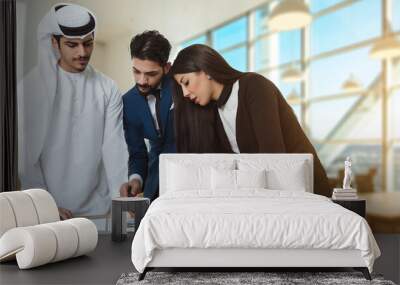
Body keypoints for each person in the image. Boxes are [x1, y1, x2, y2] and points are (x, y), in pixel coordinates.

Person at [169, 44, 331, 197]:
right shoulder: (214, 113)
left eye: (186, 82)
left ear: (206, 70)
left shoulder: (254, 86)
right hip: (271, 193)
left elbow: (273, 155)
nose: (185, 93)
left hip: (306, 189)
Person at [17, 4, 128, 219]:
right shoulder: (30, 87)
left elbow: (115, 149)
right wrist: (44, 207)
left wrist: (121, 202)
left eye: (88, 44)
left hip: (99, 210)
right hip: (50, 211)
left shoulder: (108, 88)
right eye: (72, 45)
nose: (82, 52)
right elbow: (27, 159)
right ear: (54, 42)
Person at [120, 31, 176, 202]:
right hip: (154, 186)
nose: (142, 81)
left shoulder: (183, 86)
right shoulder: (128, 102)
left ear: (166, 68)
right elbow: (137, 153)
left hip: (192, 181)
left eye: (151, 74)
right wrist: (135, 179)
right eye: (136, 72)